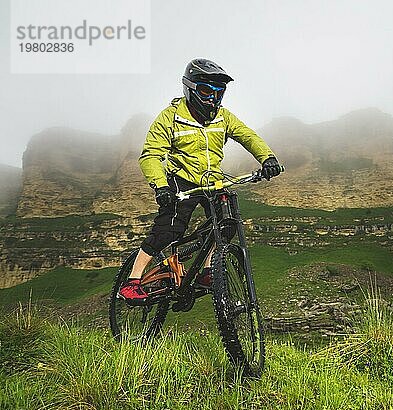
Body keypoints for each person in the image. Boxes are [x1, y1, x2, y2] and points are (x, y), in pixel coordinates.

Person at [119, 58, 281, 304]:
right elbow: (150, 155)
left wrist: (267, 158)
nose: (213, 98)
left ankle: (208, 272)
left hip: (213, 182)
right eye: (206, 90)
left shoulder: (223, 117)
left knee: (227, 224)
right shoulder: (170, 117)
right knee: (169, 229)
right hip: (180, 180)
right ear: (190, 88)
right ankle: (132, 281)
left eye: (219, 91)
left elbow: (248, 136)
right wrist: (161, 185)